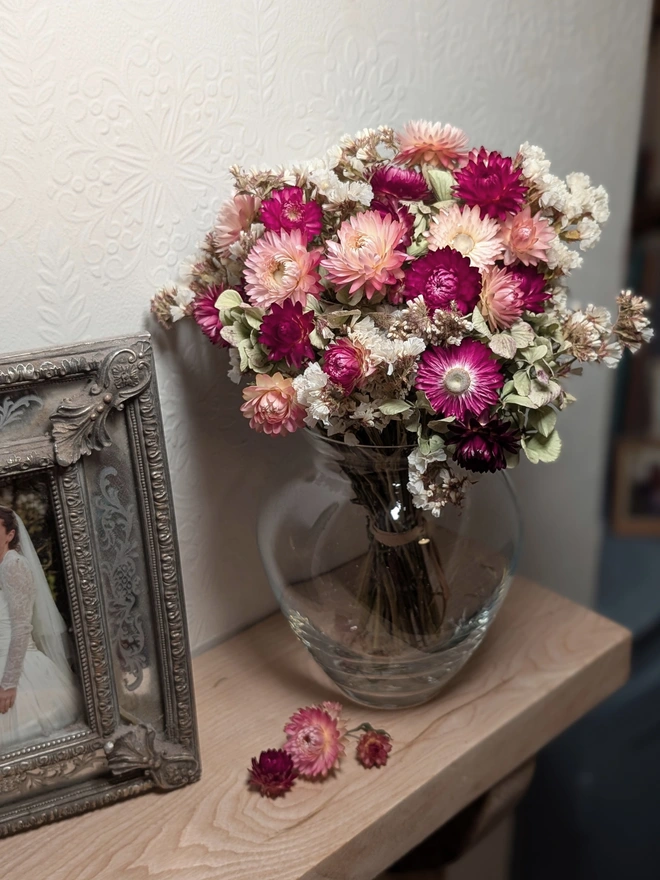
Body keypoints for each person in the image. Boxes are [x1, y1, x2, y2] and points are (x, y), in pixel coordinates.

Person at [0, 506, 83, 751]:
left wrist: (9, 683)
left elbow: (22, 627)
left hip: (18, 665)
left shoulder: (14, 566)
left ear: (10, 535)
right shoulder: (2, 566)